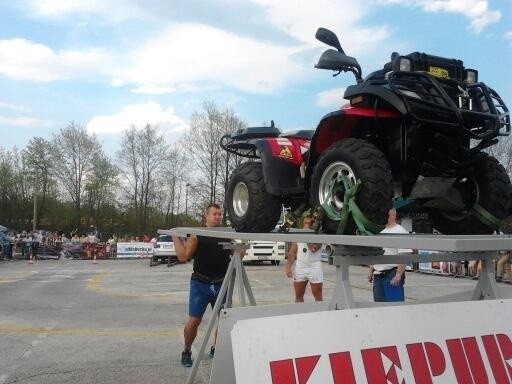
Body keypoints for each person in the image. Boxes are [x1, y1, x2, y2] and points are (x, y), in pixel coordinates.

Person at [172, 203, 235, 367]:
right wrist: (174, 236)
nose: (218, 217)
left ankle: (217, 348)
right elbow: (183, 256)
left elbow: (239, 254)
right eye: (214, 214)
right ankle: (186, 350)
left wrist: (244, 242)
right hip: (200, 283)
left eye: (220, 214)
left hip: (221, 283)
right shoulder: (197, 235)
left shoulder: (226, 234)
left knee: (224, 320)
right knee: (194, 321)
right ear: (206, 216)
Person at [368, 208, 410, 302]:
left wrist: (398, 274)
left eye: (386, 215)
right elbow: (375, 252)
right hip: (378, 275)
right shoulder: (378, 231)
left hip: (392, 275)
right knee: (379, 306)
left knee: (394, 307)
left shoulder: (400, 231)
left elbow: (403, 254)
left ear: (393, 216)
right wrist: (370, 270)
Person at [285, 214, 324, 302]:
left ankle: (319, 313)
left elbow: (313, 249)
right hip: (301, 266)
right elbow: (292, 252)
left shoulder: (319, 235)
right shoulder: (298, 235)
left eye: (309, 223)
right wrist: (288, 267)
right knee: (298, 294)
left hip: (314, 266)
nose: (307, 226)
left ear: (314, 224)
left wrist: (306, 235)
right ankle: (299, 314)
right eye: (305, 223)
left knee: (317, 294)